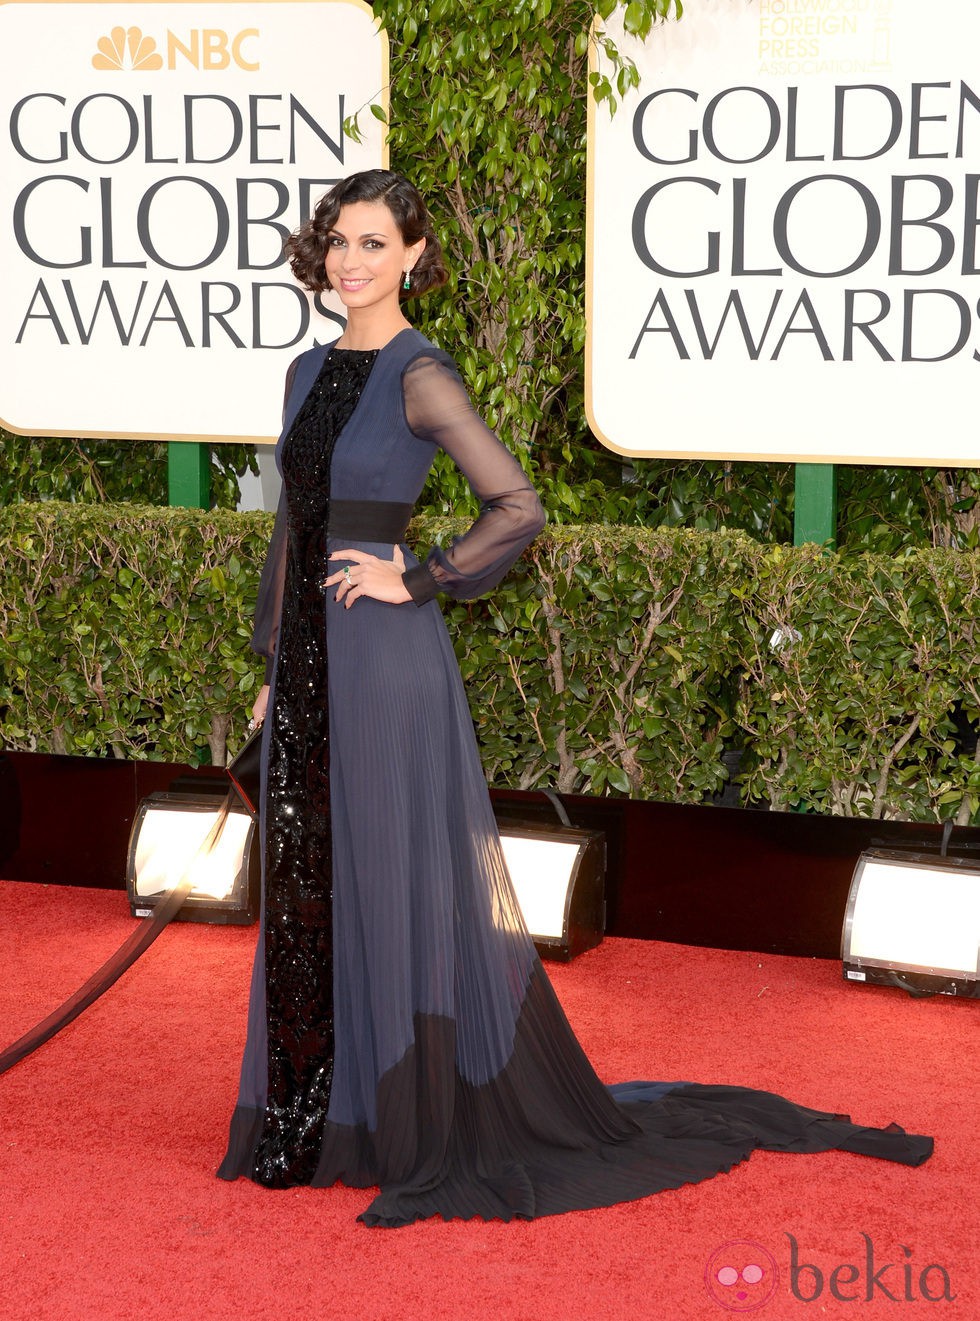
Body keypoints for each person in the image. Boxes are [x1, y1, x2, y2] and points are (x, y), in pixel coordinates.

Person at [217, 169, 931, 1226]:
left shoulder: (422, 376)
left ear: (413, 257)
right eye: (338, 242)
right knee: (316, 874)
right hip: (316, 665)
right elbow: (290, 529)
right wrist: (274, 664)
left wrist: (412, 574)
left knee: (394, 876)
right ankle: (315, 1112)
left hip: (386, 661)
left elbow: (516, 507)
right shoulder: (302, 372)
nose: (350, 262)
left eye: (373, 244)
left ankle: (407, 1115)